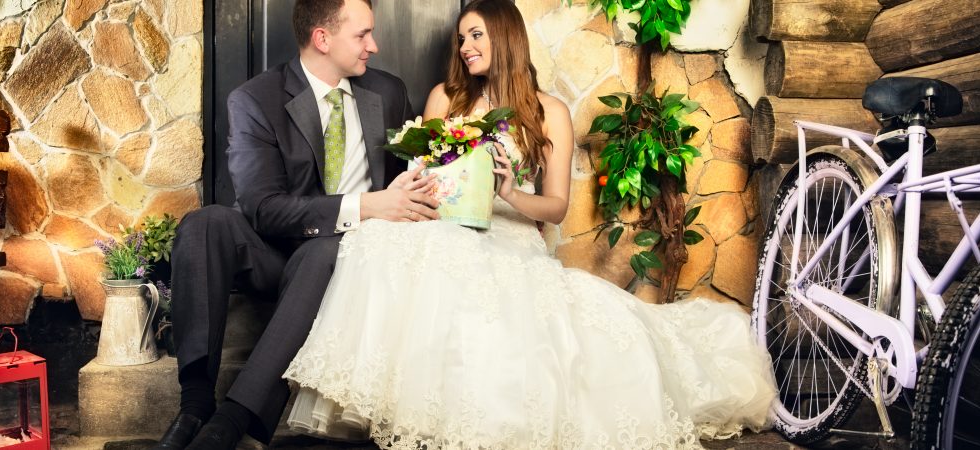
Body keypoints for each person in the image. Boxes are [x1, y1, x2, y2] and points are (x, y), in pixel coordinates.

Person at [283, 0, 777, 448]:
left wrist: (509, 192)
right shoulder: (444, 100)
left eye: (475, 35)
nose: (465, 47)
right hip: (445, 225)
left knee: (494, 289)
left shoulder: (549, 113)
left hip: (510, 234)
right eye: (461, 39)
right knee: (385, 245)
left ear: (506, 37)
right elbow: (425, 176)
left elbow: (556, 206)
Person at [152, 1, 441, 449]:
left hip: (352, 256)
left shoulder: (388, 93)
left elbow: (413, 177)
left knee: (326, 251)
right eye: (362, 35)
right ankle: (194, 405)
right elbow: (263, 208)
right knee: (203, 224)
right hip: (277, 249)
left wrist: (420, 189)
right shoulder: (255, 99)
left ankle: (235, 419)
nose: (374, 46)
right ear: (323, 39)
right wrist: (365, 204)